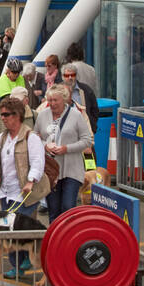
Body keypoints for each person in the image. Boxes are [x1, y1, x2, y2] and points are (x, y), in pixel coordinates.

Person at [0, 95, 49, 279]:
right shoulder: (3, 137)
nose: (3, 118)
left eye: (6, 114)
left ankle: (30, 261)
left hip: (25, 194)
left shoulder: (30, 137)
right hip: (6, 192)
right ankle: (17, 266)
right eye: (1, 114)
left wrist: (30, 181)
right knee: (9, 231)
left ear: (17, 115)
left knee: (21, 231)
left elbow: (38, 162)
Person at [35, 84, 93, 223]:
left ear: (65, 99)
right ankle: (55, 242)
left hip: (72, 169)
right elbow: (34, 136)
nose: (53, 103)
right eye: (50, 100)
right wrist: (45, 146)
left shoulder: (76, 115)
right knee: (53, 210)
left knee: (68, 207)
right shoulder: (42, 115)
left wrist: (67, 148)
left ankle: (69, 241)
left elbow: (87, 140)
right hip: (51, 171)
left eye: (56, 100)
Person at [61, 64, 99, 133]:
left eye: (72, 75)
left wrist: (92, 126)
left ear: (76, 76)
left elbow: (95, 110)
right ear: (62, 76)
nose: (70, 78)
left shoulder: (86, 90)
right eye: (67, 75)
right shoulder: (57, 90)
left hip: (84, 131)